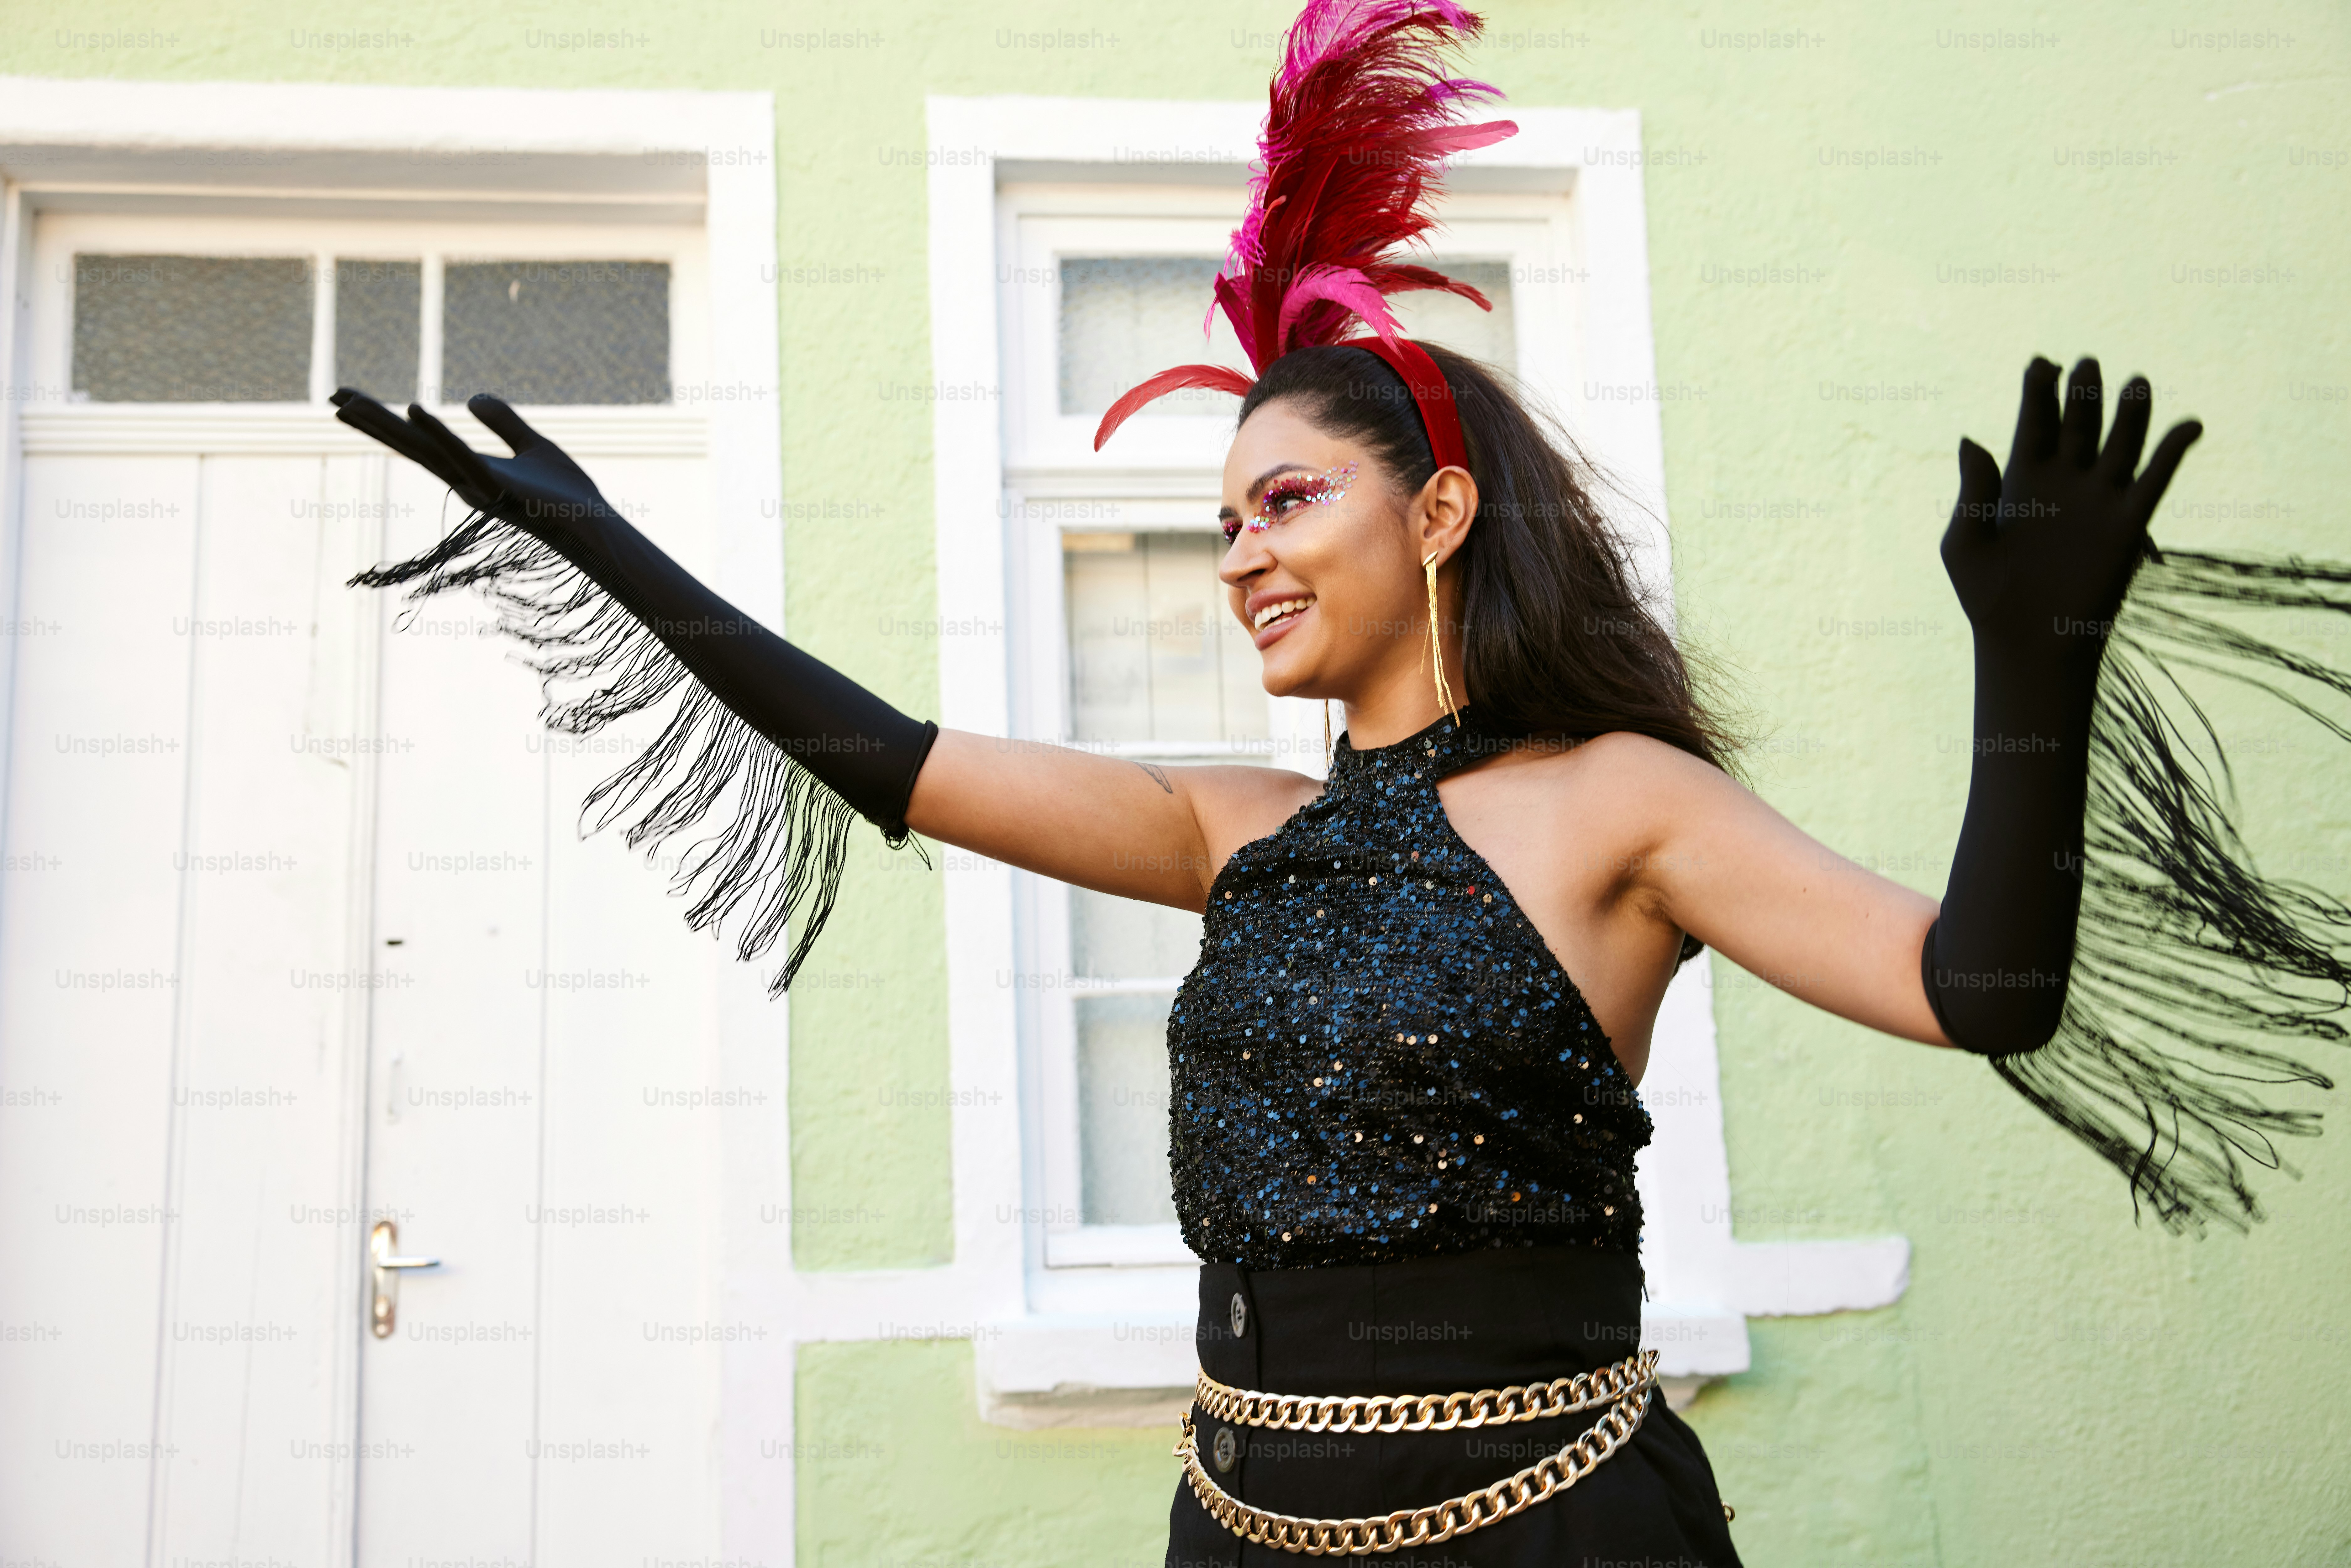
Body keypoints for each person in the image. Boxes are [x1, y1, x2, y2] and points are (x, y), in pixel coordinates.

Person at [333, 3, 2350, 1559]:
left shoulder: (1621, 804)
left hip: (1556, 1532)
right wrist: (607, 547)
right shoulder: (1238, 829)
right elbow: (890, 760)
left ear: (1443, 509)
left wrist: (2038, 660)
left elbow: (1979, 992)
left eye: (1289, 498)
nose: (1241, 557)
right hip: (1244, 1530)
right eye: (1222, 521)